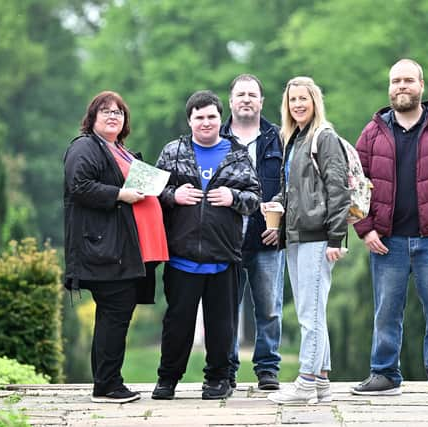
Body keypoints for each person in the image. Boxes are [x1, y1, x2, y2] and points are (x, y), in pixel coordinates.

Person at [351, 59, 428, 398]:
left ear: (421, 85)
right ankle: (384, 373)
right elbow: (355, 183)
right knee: (386, 312)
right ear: (389, 88)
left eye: (408, 80)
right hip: (386, 241)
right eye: (395, 81)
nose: (401, 86)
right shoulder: (372, 132)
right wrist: (366, 229)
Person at [151, 90, 261, 400]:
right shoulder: (173, 151)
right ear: (190, 120)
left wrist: (233, 198)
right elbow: (153, 193)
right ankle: (167, 380)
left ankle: (217, 380)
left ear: (219, 118)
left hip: (223, 256)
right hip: (181, 256)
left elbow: (255, 198)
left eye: (212, 116)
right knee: (177, 324)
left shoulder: (237, 154)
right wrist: (174, 196)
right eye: (199, 117)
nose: (206, 122)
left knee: (221, 326)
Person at [63, 90, 169, 403]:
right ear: (92, 118)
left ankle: (108, 382)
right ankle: (107, 386)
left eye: (119, 112)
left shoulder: (120, 150)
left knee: (114, 315)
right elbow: (79, 186)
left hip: (126, 250)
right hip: (104, 250)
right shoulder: (84, 146)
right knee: (115, 314)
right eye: (106, 111)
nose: (113, 116)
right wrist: (120, 195)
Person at [266, 76, 350, 405]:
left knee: (309, 313)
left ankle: (305, 384)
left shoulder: (323, 137)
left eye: (304, 98)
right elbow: (296, 191)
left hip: (318, 238)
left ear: (315, 101)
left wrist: (336, 238)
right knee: (312, 310)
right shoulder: (295, 139)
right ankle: (322, 383)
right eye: (292, 100)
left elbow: (338, 190)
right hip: (296, 236)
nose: (298, 104)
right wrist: (276, 203)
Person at [219, 74, 285, 391]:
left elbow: (291, 187)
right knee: (226, 309)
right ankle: (226, 368)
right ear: (231, 101)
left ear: (261, 102)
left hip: (267, 239)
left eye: (252, 94)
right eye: (240, 94)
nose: (246, 99)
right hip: (226, 239)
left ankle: (268, 369)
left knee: (270, 308)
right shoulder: (214, 138)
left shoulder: (278, 138)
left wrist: (281, 227)